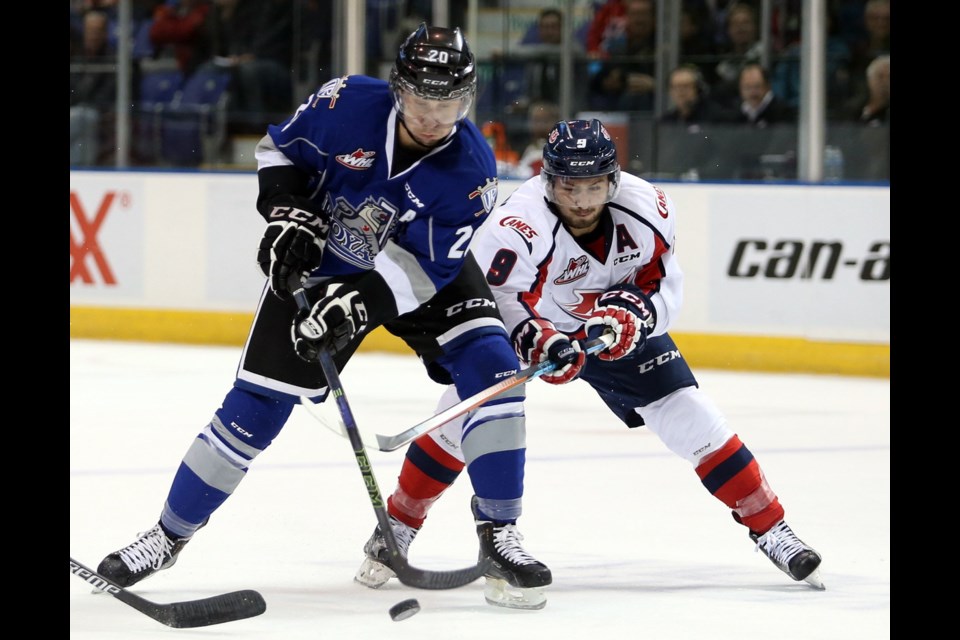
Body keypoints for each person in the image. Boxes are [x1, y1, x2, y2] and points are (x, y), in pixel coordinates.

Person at [96, 23, 551, 607]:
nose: (435, 118)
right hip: (322, 262)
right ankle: (166, 536)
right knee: (254, 408)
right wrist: (287, 215)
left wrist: (362, 304)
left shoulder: (471, 168)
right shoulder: (345, 104)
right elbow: (278, 149)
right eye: (421, 101)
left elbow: (425, 270)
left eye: (450, 104)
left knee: (493, 364)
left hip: (421, 268)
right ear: (396, 90)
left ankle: (500, 533)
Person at [354, 118, 825, 606]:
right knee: (468, 415)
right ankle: (399, 525)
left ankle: (773, 528)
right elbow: (498, 298)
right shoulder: (519, 222)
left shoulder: (647, 207)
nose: (581, 200)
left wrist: (637, 315)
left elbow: (666, 289)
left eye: (594, 186)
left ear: (612, 180)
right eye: (569, 186)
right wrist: (536, 337)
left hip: (613, 325)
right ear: (547, 179)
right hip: (533, 322)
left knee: (692, 416)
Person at [729, 62, 796, 127]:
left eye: (757, 87)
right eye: (747, 87)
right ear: (740, 89)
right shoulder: (734, 112)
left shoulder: (783, 112)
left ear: (767, 87)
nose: (752, 92)